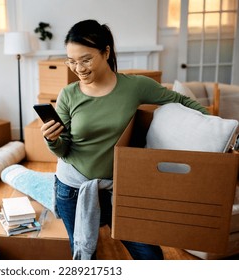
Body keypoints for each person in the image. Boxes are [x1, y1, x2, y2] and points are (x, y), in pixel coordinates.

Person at [40, 19, 210, 260]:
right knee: (84, 256)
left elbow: (181, 100)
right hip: (73, 189)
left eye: (86, 59)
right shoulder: (69, 94)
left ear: (106, 52)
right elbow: (64, 150)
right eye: (72, 61)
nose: (78, 68)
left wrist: (216, 126)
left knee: (150, 256)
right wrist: (52, 139)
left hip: (118, 187)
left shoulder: (135, 87)